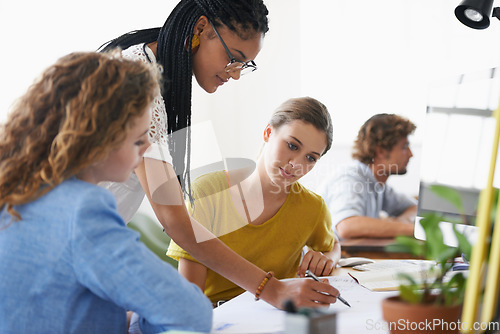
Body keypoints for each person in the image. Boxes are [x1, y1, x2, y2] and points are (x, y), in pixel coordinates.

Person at [99, 0, 339, 308]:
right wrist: (273, 290)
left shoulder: (149, 75)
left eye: (244, 65)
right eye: (233, 58)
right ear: (201, 28)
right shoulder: (136, 83)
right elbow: (175, 221)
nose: (235, 74)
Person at [0, 52, 212, 334]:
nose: (147, 146)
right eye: (139, 138)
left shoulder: (16, 191)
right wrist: (136, 321)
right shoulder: (83, 209)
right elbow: (190, 311)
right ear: (98, 139)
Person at [167, 97, 341, 305]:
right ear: (268, 133)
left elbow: (333, 245)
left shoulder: (313, 208)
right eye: (292, 146)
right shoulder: (206, 192)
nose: (297, 164)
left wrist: (329, 258)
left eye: (311, 158)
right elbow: (189, 296)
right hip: (214, 316)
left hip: (275, 317)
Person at [319, 113, 418, 239]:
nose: (411, 154)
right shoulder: (350, 179)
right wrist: (414, 230)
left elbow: (415, 207)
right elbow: (347, 226)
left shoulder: (378, 185)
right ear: (381, 151)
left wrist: (401, 222)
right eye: (404, 147)